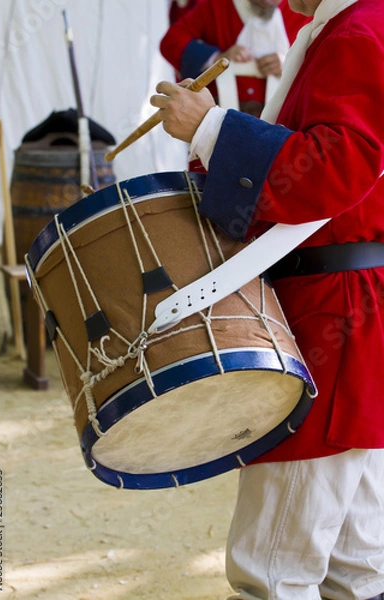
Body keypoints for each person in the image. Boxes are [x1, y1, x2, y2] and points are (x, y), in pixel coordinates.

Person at [150, 0, 384, 598]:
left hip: (335, 311)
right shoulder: (355, 25)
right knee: (356, 565)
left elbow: (338, 165)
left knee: (274, 570)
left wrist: (211, 128)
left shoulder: (358, 30)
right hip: (352, 308)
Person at [160, 0, 312, 118]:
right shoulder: (219, 5)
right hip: (216, 119)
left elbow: (323, 65)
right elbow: (171, 42)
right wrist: (218, 58)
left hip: (278, 127)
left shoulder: (303, 11)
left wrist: (289, 62)